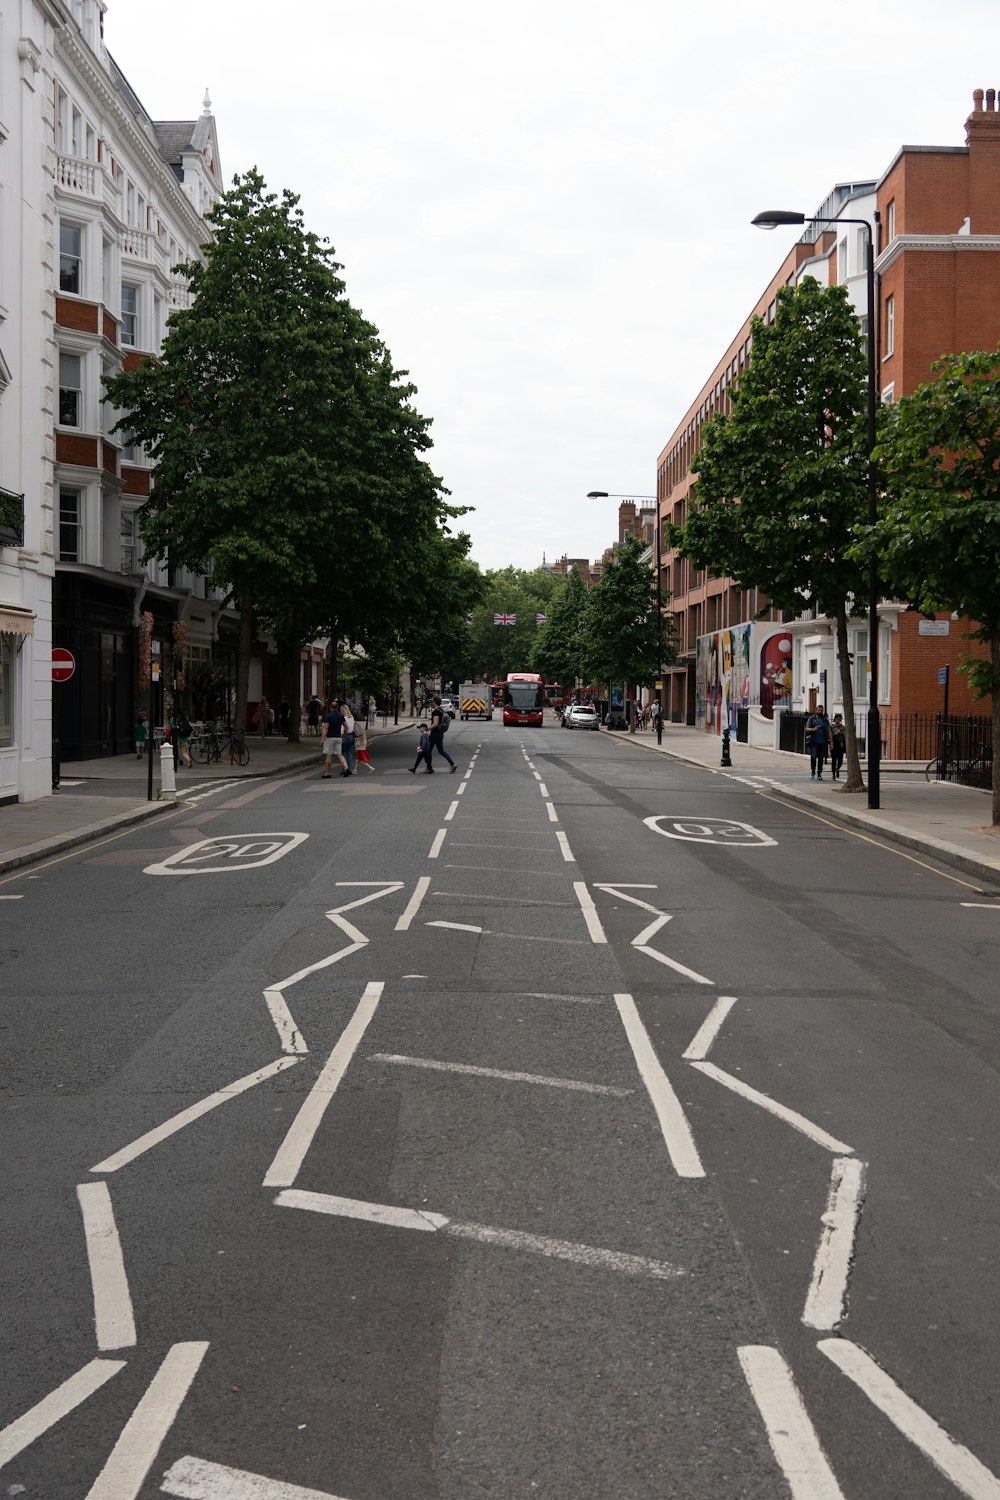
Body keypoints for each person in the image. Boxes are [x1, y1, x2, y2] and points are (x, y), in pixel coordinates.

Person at [429, 695, 457, 772]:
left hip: (434, 734)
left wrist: (428, 728)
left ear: (434, 702)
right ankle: (452, 764)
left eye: (432, 702)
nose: (432, 703)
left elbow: (435, 723)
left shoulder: (436, 712)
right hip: (441, 733)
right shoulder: (442, 711)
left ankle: (429, 768)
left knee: (428, 750)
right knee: (441, 751)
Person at [320, 699, 348, 779]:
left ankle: (327, 773)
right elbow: (346, 726)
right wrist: (344, 736)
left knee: (328, 755)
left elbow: (325, 728)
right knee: (339, 754)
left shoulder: (328, 716)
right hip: (338, 737)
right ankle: (346, 768)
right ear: (337, 707)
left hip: (330, 738)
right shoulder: (341, 715)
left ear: (330, 707)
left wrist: (322, 739)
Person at [805, 704, 832, 781]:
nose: (820, 711)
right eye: (819, 710)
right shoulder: (812, 719)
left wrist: (831, 742)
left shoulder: (825, 720)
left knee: (821, 759)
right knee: (813, 757)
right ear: (816, 710)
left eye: (822, 710)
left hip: (823, 742)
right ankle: (813, 771)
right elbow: (806, 729)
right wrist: (814, 729)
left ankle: (819, 773)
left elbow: (829, 731)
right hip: (814, 741)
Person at [830, 713, 847, 780]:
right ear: (835, 719)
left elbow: (845, 735)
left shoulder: (842, 727)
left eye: (840, 720)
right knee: (834, 760)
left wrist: (842, 733)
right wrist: (835, 734)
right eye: (837, 719)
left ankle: (838, 768)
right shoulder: (831, 726)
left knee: (840, 760)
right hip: (834, 744)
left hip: (840, 744)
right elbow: (830, 735)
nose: (838, 721)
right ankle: (833, 774)